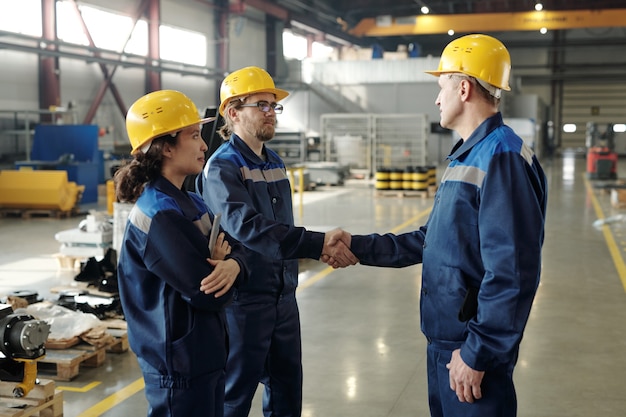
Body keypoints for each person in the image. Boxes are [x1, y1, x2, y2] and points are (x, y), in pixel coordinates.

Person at [328, 34, 548, 417]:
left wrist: (478, 353)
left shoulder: (501, 158)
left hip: (471, 349)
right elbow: (433, 240)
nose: (437, 98)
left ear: (463, 88)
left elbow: (513, 272)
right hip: (448, 342)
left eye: (441, 86)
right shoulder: (470, 154)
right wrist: (357, 246)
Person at [200, 66, 357, 417]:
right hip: (245, 302)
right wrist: (316, 244)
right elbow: (248, 227)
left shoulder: (275, 163)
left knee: (287, 389)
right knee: (234, 395)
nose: (272, 113)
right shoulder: (222, 168)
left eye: (274, 106)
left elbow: (281, 227)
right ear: (233, 112)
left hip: (284, 297)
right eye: (263, 105)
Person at [115, 89, 247, 417]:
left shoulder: (191, 201)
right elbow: (209, 294)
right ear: (166, 147)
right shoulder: (160, 213)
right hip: (179, 369)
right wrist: (228, 266)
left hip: (203, 357)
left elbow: (239, 249)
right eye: (193, 135)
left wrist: (231, 265)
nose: (204, 145)